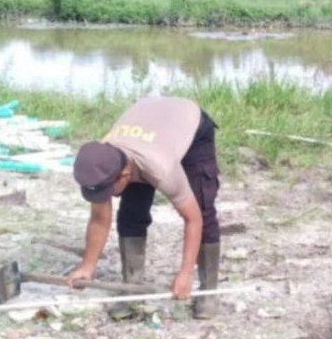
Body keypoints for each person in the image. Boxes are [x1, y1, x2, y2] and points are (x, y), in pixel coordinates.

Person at [68, 96, 221, 319]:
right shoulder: (103, 162)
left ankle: (208, 292)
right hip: (148, 126)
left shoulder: (160, 168)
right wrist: (87, 266)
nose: (106, 197)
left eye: (109, 190)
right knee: (130, 214)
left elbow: (193, 219)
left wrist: (185, 274)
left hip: (188, 121)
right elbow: (100, 219)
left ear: (125, 174)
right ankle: (132, 289)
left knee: (202, 207)